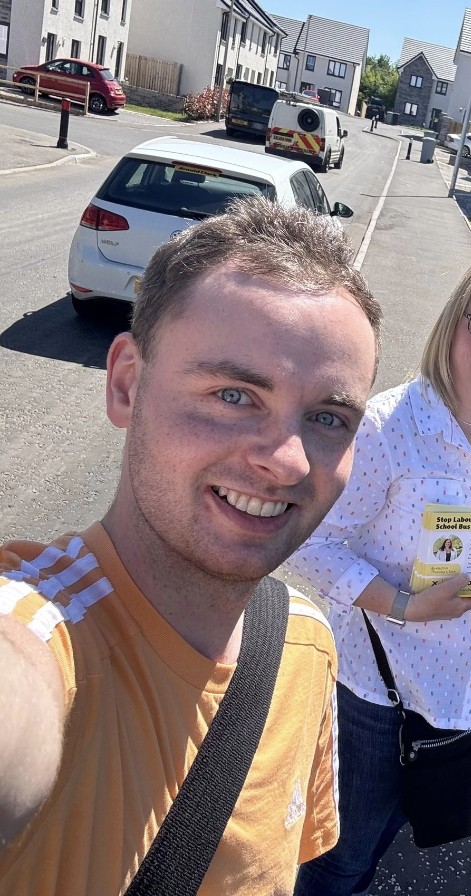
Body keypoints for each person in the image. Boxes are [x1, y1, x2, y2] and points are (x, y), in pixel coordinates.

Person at [0, 198, 383, 894]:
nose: (289, 461)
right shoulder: (40, 630)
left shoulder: (308, 647)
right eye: (235, 395)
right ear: (126, 384)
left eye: (329, 417)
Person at [288, 250, 471, 896]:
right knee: (338, 859)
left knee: (388, 837)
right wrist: (407, 604)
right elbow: (309, 540)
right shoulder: (389, 428)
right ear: (454, 323)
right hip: (375, 696)